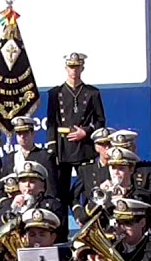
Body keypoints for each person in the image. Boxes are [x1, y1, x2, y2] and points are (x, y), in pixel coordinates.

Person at [45, 52, 106, 206]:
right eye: (71, 66)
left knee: (89, 188)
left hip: (84, 147)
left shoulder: (92, 92)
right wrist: (52, 147)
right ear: (66, 68)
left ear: (82, 68)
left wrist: (86, 131)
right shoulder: (55, 93)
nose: (74, 70)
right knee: (60, 191)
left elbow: (100, 121)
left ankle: (89, 223)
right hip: (63, 146)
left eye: (77, 66)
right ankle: (61, 228)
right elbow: (51, 122)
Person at [107, 129, 151, 214]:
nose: (121, 154)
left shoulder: (148, 170)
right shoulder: (108, 170)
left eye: (126, 149)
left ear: (134, 149)